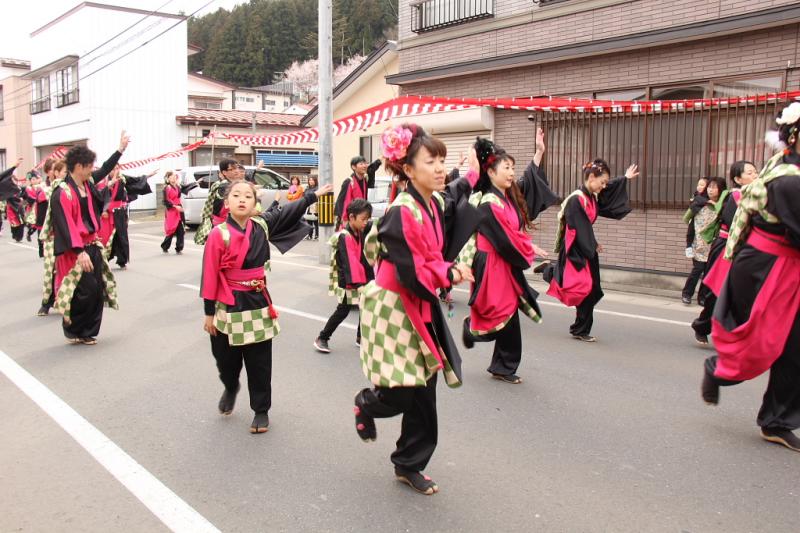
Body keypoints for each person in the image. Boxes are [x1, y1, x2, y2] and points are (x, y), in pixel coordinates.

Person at [353, 124, 480, 496]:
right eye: (432, 161)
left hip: (418, 304)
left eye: (442, 161)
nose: (440, 168)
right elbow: (413, 269)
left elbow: (456, 194)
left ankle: (409, 463)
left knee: (425, 391)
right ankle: (366, 404)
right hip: (394, 308)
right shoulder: (401, 211)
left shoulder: (434, 201)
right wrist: (450, 271)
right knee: (400, 391)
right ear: (408, 170)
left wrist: (473, 171)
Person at [701, 103, 800, 453]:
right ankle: (720, 369)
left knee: (793, 348)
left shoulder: (789, 168)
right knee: (763, 339)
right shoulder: (789, 179)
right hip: (766, 267)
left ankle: (776, 420)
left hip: (783, 265)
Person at [202, 179, 332, 433]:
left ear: (254, 204)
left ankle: (261, 410)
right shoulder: (218, 234)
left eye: (248, 196)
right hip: (227, 303)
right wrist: (208, 313)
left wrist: (313, 195)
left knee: (259, 360)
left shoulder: (261, 225)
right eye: (236, 195)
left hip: (258, 301)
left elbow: (288, 209)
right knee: (225, 360)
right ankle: (230, 386)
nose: (242, 199)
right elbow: (209, 274)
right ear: (226, 203)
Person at [460, 130, 558, 384]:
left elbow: (529, 183)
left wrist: (539, 152)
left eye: (513, 167)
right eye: (507, 167)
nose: (512, 172)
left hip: (502, 259)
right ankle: (474, 332)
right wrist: (528, 248)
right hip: (491, 261)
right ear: (491, 172)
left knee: (507, 312)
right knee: (500, 311)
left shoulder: (507, 196)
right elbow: (503, 238)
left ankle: (501, 364)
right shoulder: (488, 202)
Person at [537, 159, 638, 342]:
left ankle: (579, 328)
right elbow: (579, 228)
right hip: (576, 248)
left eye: (605, 183)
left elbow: (608, 189)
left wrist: (624, 178)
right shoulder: (577, 199)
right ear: (591, 177)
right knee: (579, 288)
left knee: (591, 289)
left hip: (586, 246)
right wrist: (591, 244)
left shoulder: (592, 196)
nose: (604, 186)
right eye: (602, 182)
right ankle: (550, 272)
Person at [49, 141, 127, 345]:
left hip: (93, 244)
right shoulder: (63, 192)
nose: (93, 169)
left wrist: (120, 149)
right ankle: (75, 329)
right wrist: (79, 251)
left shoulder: (88, 184)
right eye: (90, 166)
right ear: (78, 167)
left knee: (96, 290)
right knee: (84, 290)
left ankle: (85, 331)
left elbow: (106, 169)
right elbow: (65, 226)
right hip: (75, 250)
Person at [691, 162, 758, 344]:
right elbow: (730, 221)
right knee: (718, 291)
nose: (755, 175)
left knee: (740, 292)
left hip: (744, 249)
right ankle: (702, 325)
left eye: (755, 171)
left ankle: (735, 333)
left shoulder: (756, 196)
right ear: (737, 179)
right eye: (750, 172)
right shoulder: (734, 196)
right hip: (727, 247)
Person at [314, 198, 374, 353]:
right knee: (342, 311)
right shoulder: (345, 236)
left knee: (365, 306)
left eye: (368, 219)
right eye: (363, 219)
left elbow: (361, 258)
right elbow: (350, 263)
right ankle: (322, 337)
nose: (366, 223)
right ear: (352, 217)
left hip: (358, 278)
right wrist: (359, 284)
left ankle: (361, 338)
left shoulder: (358, 231)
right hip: (349, 280)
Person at [96, 166, 155, 269]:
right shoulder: (103, 182)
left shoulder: (122, 179)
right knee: (106, 237)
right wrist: (103, 210)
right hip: (107, 213)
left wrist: (148, 175)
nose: (115, 171)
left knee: (121, 236)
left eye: (117, 169)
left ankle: (122, 260)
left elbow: (136, 180)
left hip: (120, 212)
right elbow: (98, 197)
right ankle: (102, 259)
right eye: (113, 169)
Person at [194, 159, 263, 245]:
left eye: (237, 168)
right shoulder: (224, 186)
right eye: (232, 169)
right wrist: (257, 198)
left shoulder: (232, 184)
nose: (236, 171)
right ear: (224, 172)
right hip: (226, 228)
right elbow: (241, 210)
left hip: (231, 225)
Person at [681, 177, 723, 305]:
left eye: (713, 187)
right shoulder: (698, 202)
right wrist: (688, 244)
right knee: (698, 269)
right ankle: (687, 294)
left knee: (708, 272)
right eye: (709, 187)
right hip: (698, 243)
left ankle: (702, 297)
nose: (710, 189)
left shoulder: (722, 204)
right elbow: (687, 220)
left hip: (713, 244)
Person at [37, 160, 68, 316]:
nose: (65, 174)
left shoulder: (70, 189)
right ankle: (46, 303)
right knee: (51, 270)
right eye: (63, 171)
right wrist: (46, 232)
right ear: (55, 173)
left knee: (68, 270)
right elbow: (42, 215)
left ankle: (66, 301)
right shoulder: (46, 191)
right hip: (53, 236)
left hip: (68, 236)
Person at [334, 155, 381, 228]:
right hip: (351, 219)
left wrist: (379, 160)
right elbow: (342, 202)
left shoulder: (365, 180)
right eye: (361, 164)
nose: (364, 166)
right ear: (353, 167)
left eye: (365, 163)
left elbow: (371, 169)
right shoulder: (349, 182)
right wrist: (345, 220)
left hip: (360, 217)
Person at [161, 170, 185, 254]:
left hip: (178, 210)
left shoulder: (178, 187)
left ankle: (179, 248)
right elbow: (165, 201)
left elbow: (185, 188)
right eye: (171, 176)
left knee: (180, 230)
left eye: (174, 176)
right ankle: (165, 246)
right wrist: (175, 206)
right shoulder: (167, 188)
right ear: (168, 178)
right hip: (171, 211)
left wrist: (196, 183)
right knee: (171, 230)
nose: (173, 177)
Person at [305, 175, 319, 240]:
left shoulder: (317, 188)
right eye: (309, 180)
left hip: (315, 206)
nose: (311, 181)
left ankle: (317, 235)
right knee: (309, 221)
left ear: (315, 181)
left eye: (312, 180)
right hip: (308, 206)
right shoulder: (307, 188)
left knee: (316, 221)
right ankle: (309, 235)